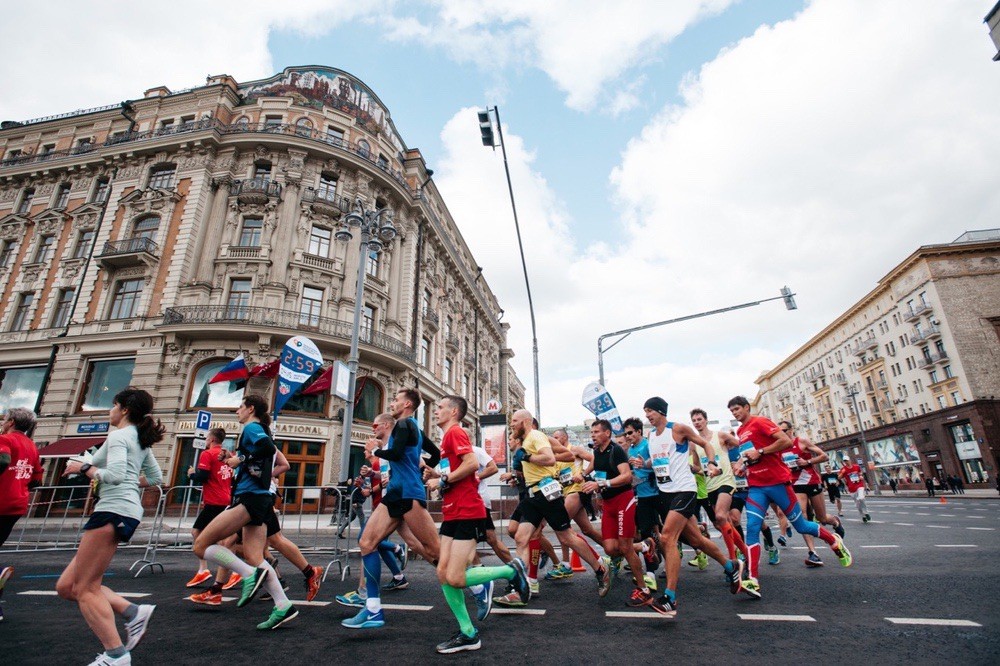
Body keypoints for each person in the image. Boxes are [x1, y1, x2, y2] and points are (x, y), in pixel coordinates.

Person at [57, 388, 164, 665]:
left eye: (113, 405)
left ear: (124, 409)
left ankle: (116, 655)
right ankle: (133, 612)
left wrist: (83, 469)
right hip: (123, 510)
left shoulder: (119, 436)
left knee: (85, 589)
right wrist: (94, 469)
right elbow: (156, 477)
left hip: (113, 510)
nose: (110, 410)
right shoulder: (137, 438)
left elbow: (114, 475)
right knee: (67, 586)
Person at [425, 395, 529, 653]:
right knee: (443, 573)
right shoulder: (446, 439)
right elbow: (458, 472)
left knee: (455, 577)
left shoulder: (455, 432)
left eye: (440, 407)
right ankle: (468, 633)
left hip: (467, 511)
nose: (436, 410)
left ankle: (510, 571)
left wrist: (442, 480)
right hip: (452, 511)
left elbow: (471, 464)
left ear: (453, 411)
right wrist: (438, 477)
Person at [728, 396, 851, 600]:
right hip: (756, 487)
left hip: (778, 483)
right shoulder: (740, 431)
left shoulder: (760, 422)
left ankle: (834, 541)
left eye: (737, 409)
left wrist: (761, 451)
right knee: (752, 528)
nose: (735, 413)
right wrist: (742, 466)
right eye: (732, 411)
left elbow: (784, 442)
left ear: (747, 408)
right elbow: (749, 455)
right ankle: (753, 579)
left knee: (801, 526)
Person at [191, 394, 298, 630]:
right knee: (254, 557)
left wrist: (239, 458)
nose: (237, 411)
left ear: (250, 409)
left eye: (240, 407)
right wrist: (234, 459)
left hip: (250, 498)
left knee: (200, 545)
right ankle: (283, 605)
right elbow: (259, 457)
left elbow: (266, 449)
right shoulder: (259, 429)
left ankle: (249, 575)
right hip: (259, 497)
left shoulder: (252, 428)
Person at [342, 389, 442, 630]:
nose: (392, 403)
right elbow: (435, 454)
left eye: (396, 400)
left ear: (407, 404)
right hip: (396, 492)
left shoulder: (406, 424)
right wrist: (422, 470)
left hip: (407, 492)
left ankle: (480, 583)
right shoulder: (412, 428)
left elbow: (395, 454)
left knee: (433, 551)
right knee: (367, 543)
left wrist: (375, 450)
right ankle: (373, 610)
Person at [643, 397, 742, 615]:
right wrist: (644, 464)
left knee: (667, 538)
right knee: (696, 540)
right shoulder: (651, 436)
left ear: (661, 411)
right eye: (645, 411)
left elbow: (705, 444)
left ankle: (670, 598)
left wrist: (712, 463)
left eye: (650, 410)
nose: (647, 415)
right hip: (665, 493)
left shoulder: (678, 429)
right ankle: (730, 566)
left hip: (684, 491)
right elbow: (658, 461)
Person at [505, 409, 611, 601]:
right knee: (521, 537)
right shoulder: (528, 440)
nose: (511, 424)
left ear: (525, 422)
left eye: (514, 420)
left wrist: (527, 457)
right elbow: (563, 456)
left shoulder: (535, 436)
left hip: (546, 493)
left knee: (566, 537)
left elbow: (549, 459)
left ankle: (600, 568)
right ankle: (520, 588)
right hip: (532, 494)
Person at [575, 420, 667, 614]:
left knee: (625, 547)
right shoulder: (598, 451)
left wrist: (603, 484)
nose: (593, 435)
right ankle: (644, 546)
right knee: (610, 549)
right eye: (591, 432)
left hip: (623, 500)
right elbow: (595, 463)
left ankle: (643, 590)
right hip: (608, 503)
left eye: (596, 432)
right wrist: (583, 475)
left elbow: (626, 476)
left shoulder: (616, 450)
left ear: (607, 433)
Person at [335, 413, 410, 608]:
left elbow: (402, 471)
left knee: (368, 541)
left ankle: (465, 576)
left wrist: (373, 486)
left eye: (376, 425)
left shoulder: (384, 453)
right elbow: (384, 477)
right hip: (387, 503)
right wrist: (370, 478)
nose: (364, 450)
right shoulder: (381, 457)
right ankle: (394, 577)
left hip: (394, 502)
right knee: (371, 542)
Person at [777, 421, 845, 567]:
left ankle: (835, 522)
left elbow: (824, 456)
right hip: (795, 484)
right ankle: (813, 553)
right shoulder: (779, 447)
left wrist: (807, 461)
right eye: (779, 431)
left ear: (791, 430)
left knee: (822, 518)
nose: (782, 433)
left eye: (784, 430)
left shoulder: (801, 442)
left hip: (812, 482)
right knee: (803, 516)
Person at [690, 409, 749, 566]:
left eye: (699, 419)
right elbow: (697, 466)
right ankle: (745, 552)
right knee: (725, 521)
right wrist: (690, 468)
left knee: (721, 516)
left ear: (706, 420)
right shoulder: (694, 444)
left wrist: (739, 463)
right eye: (694, 420)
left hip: (726, 481)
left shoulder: (720, 436)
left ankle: (732, 559)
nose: (697, 422)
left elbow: (744, 445)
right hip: (710, 486)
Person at [0, 407, 43, 622]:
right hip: (16, 506)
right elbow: (37, 479)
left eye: (5, 419)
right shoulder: (32, 446)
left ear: (11, 422)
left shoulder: (5, 439)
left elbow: (2, 460)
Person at [185, 427, 234, 589]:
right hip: (225, 499)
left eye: (207, 438)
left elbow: (203, 476)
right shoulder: (228, 455)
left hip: (214, 501)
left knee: (197, 533)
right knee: (222, 540)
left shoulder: (208, 454)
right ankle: (233, 569)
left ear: (212, 439)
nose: (206, 441)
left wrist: (192, 474)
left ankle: (205, 569)